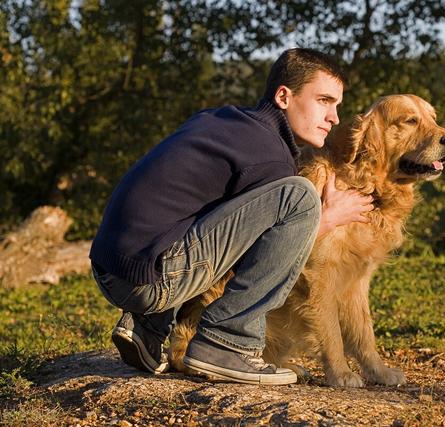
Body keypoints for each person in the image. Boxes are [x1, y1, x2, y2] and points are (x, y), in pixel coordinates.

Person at [89, 48, 374, 385]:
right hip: (148, 281)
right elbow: (258, 253)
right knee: (299, 197)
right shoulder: (272, 160)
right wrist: (325, 217)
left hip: (114, 267)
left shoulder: (225, 121)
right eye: (324, 101)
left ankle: (148, 325)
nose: (335, 118)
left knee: (216, 210)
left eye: (337, 105)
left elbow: (209, 222)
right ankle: (227, 343)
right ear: (284, 96)